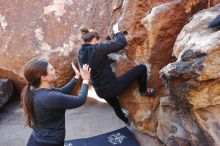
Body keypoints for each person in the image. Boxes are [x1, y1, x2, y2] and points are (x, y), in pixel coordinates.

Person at [77, 23, 156, 125]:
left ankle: (126, 121)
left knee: (115, 105)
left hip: (100, 91)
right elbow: (121, 42)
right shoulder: (97, 48)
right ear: (95, 40)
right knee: (142, 68)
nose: (101, 42)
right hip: (112, 87)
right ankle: (144, 90)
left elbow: (95, 62)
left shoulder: (81, 53)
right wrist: (117, 31)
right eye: (100, 41)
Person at [21, 58, 91, 146]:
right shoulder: (49, 97)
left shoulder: (35, 90)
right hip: (50, 142)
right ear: (43, 78)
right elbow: (80, 100)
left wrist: (76, 77)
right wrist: (86, 79)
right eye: (51, 69)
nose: (54, 70)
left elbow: (61, 92)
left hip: (37, 139)